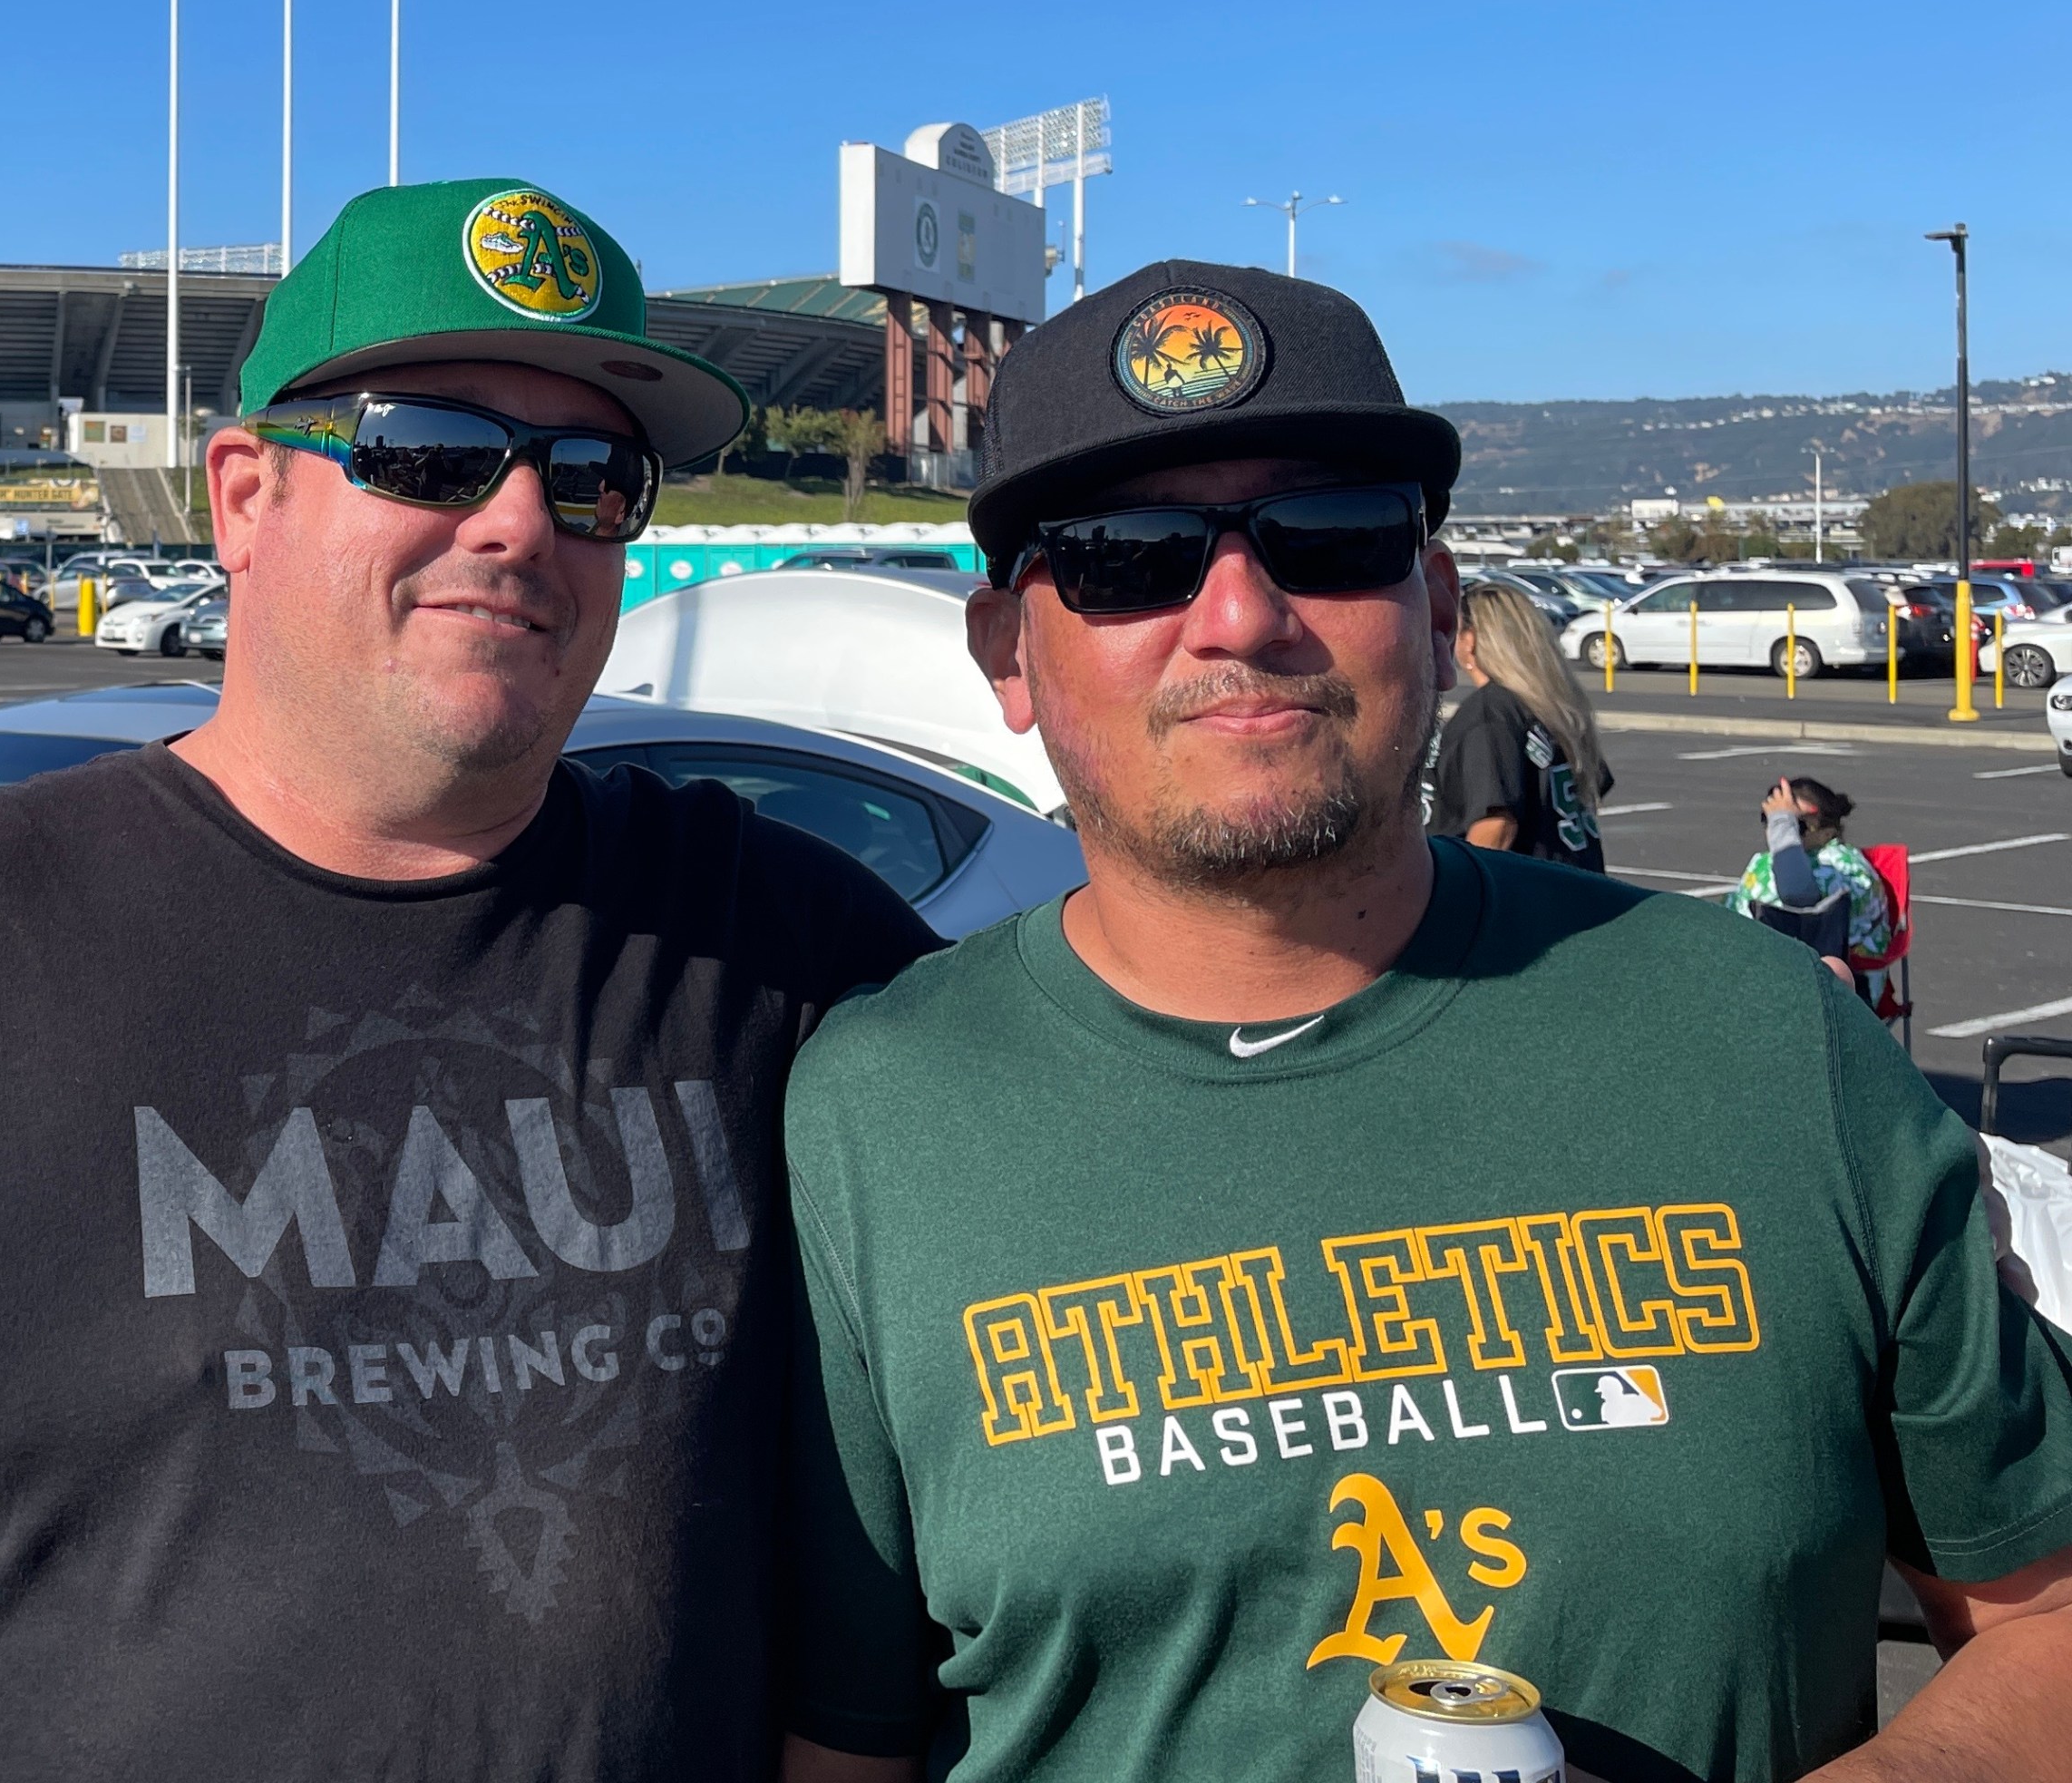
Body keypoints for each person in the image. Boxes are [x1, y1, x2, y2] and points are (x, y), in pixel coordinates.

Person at [0, 178, 935, 1782]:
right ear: (244, 498)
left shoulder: (785, 943)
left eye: (590, 475)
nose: (515, 523)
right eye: (428, 447)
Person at [780, 258, 2072, 1783]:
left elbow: (2043, 1615)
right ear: (1009, 656)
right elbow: (837, 1748)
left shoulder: (1765, 1036)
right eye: (1129, 557)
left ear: (1441, 605)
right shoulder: (867, 1119)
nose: (1241, 616)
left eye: (1329, 535)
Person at [1430, 574, 1611, 868]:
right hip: (1578, 884)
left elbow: (1496, 823)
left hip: (1532, 899)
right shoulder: (1556, 706)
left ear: (1472, 640)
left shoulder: (1491, 712)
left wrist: (1467, 901)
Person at [1730, 773, 1897, 1005]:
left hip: (1833, 993)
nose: (1777, 829)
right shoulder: (1852, 863)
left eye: (1796, 824)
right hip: (1849, 993)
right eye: (1768, 819)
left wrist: (1781, 825)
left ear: (1828, 832)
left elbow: (1797, 894)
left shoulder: (1841, 868)